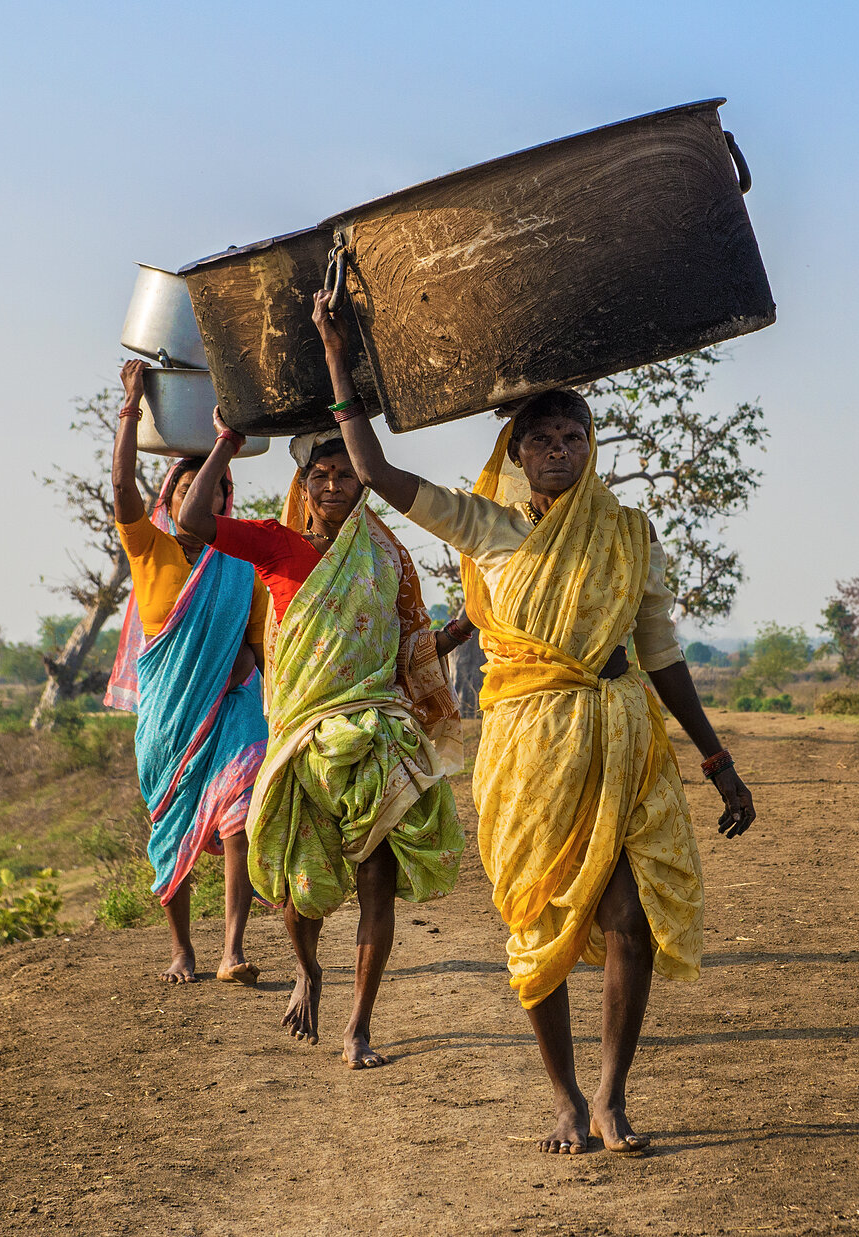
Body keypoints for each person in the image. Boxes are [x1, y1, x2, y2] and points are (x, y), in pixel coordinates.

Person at [314, 289, 756, 1153]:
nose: (560, 450)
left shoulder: (631, 534)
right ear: (516, 454)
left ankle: (610, 1093)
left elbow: (662, 655)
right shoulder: (489, 528)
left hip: (622, 741)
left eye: (575, 438)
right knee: (539, 918)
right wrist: (339, 355)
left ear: (591, 450)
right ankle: (561, 1095)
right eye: (544, 440)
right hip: (525, 751)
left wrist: (715, 758)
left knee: (629, 916)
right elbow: (377, 472)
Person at [173, 395, 473, 1069]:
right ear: (302, 485)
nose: (334, 484)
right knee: (300, 891)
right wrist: (226, 439)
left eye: (346, 473)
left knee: (376, 879)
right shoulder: (276, 546)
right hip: (305, 742)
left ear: (363, 482)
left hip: (376, 736)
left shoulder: (388, 554)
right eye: (321, 475)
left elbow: (407, 644)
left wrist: (458, 634)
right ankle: (308, 967)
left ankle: (359, 1025)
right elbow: (192, 518)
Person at [105, 359, 269, 986]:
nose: (207, 497)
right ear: (171, 499)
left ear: (227, 499)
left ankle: (231, 947)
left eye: (219, 489)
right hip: (168, 722)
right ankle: (182, 950)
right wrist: (130, 408)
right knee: (171, 832)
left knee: (240, 816)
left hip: (230, 711)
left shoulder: (242, 567)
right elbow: (123, 488)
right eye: (190, 488)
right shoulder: (151, 548)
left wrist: (236, 668)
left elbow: (255, 648)